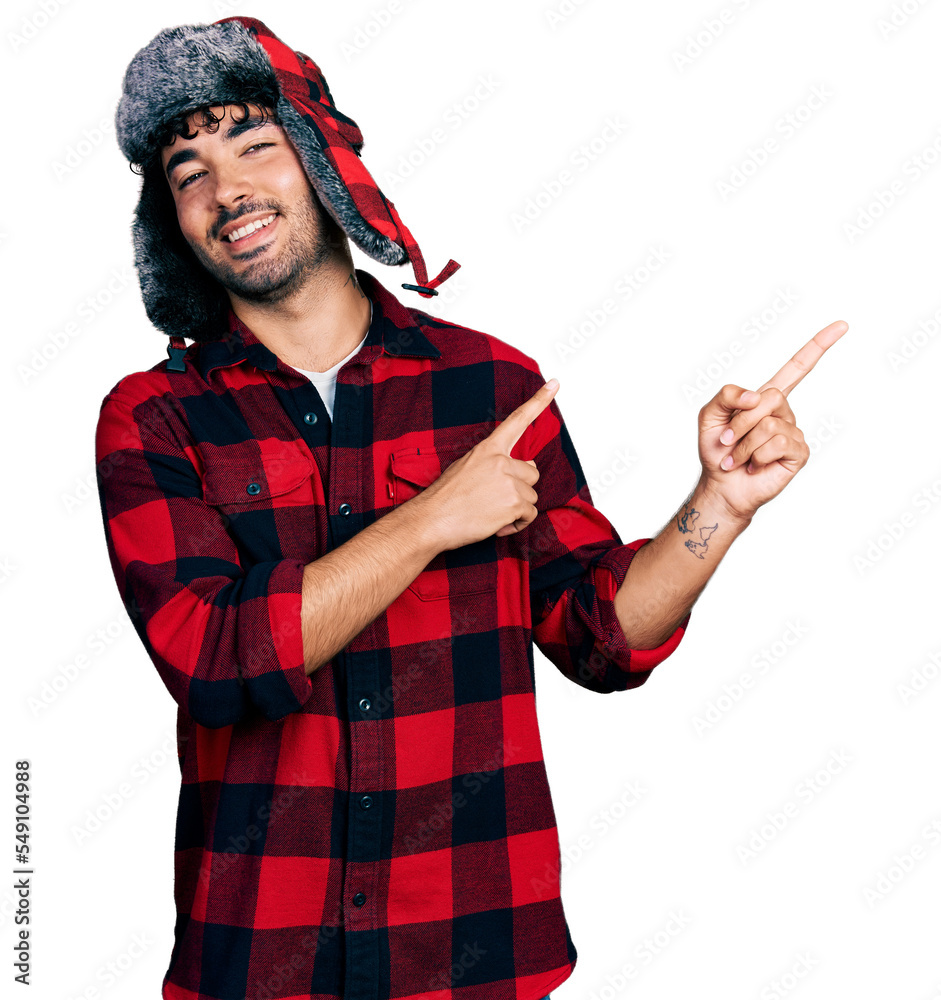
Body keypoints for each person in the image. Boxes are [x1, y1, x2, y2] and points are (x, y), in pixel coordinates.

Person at [95, 15, 846, 1000]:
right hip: (260, 963)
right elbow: (212, 662)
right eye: (188, 172)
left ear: (319, 163)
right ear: (172, 218)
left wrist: (719, 504)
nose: (226, 188)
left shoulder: (490, 387)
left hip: (472, 956)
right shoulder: (153, 417)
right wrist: (429, 519)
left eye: (254, 147)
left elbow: (600, 638)